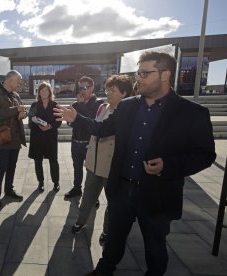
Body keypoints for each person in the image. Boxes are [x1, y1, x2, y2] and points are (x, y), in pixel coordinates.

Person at [54, 51, 216, 276]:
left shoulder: (191, 113)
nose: (138, 78)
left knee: (155, 248)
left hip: (158, 195)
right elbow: (103, 130)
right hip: (121, 189)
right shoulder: (127, 106)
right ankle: (105, 269)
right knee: (113, 240)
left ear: (165, 75)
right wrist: (77, 119)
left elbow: (205, 155)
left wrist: (168, 165)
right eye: (138, 73)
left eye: (145, 73)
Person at [71, 75, 134, 247]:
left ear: (125, 93)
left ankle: (107, 231)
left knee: (112, 203)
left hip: (112, 168)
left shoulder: (127, 114)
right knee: (87, 198)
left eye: (112, 91)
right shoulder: (103, 108)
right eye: (107, 89)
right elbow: (93, 127)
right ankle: (80, 221)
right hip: (93, 164)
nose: (108, 93)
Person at [0, 70, 27, 209]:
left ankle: (9, 190)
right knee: (2, 168)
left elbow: (21, 110)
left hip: (15, 139)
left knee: (12, 166)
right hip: (3, 138)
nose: (19, 84)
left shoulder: (15, 95)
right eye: (17, 81)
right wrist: (16, 109)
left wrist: (23, 112)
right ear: (10, 80)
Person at [65, 76, 103, 198]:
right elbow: (70, 122)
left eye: (85, 87)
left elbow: (92, 122)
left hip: (90, 142)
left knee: (91, 171)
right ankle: (77, 189)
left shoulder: (99, 103)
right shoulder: (75, 104)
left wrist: (81, 106)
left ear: (92, 88)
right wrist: (70, 120)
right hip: (76, 141)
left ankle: (92, 195)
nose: (82, 90)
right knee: (76, 168)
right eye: (80, 88)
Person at [28, 82, 62, 192]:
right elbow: (30, 122)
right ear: (38, 92)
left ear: (49, 92)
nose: (43, 92)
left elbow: (59, 122)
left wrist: (50, 126)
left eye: (46, 90)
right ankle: (41, 182)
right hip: (37, 137)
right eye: (41, 90)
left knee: (53, 160)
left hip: (50, 137)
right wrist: (39, 125)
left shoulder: (55, 105)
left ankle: (56, 182)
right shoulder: (34, 105)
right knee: (38, 161)